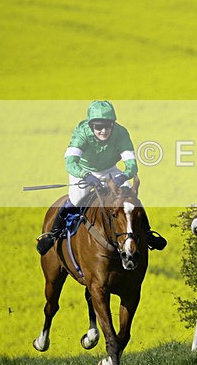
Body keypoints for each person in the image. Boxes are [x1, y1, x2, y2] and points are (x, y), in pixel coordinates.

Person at [36, 100, 138, 254]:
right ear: (91, 126)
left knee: (129, 195)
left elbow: (132, 166)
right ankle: (53, 234)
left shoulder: (121, 133)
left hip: (110, 170)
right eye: (98, 127)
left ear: (113, 124)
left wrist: (122, 177)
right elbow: (70, 163)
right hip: (83, 170)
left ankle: (148, 233)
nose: (103, 131)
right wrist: (86, 176)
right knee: (77, 199)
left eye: (108, 126)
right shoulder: (81, 133)